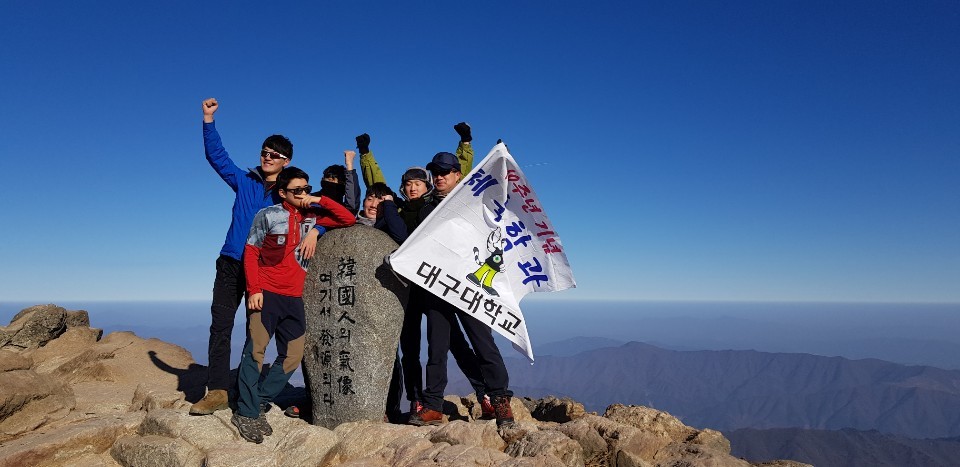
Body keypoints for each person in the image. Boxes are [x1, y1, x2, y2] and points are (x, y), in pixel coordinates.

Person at [191, 98, 326, 415]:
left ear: (286, 161)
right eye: (264, 152)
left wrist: (316, 231)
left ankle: (250, 393)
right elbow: (217, 157)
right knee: (221, 326)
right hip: (230, 263)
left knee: (257, 336)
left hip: (264, 271)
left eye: (274, 155)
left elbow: (325, 212)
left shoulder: (290, 193)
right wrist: (208, 120)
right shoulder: (245, 181)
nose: (267, 157)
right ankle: (218, 391)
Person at [357, 129, 492, 423]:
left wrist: (465, 145)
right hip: (408, 288)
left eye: (418, 183)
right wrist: (365, 155)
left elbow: (458, 175)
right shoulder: (397, 208)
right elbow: (377, 185)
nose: (412, 187)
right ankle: (418, 401)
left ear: (427, 184)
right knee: (411, 349)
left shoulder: (437, 207)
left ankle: (485, 393)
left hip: (436, 286)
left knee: (454, 344)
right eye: (408, 184)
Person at [232, 167, 355, 443]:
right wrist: (254, 290)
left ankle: (258, 401)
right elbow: (251, 253)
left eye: (306, 189)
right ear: (282, 192)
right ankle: (246, 412)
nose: (303, 194)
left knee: (293, 356)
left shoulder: (313, 216)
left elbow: (347, 218)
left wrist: (318, 218)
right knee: (255, 353)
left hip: (294, 297)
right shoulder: (268, 215)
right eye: (297, 190)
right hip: (266, 294)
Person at [409, 143, 516, 428]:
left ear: (458, 175)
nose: (439, 177)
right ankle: (433, 406)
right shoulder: (426, 210)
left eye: (445, 172)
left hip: (470, 287)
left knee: (483, 344)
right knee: (436, 348)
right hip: (438, 288)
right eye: (435, 172)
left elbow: (497, 214)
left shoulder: (475, 204)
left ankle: (500, 401)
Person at [315, 150, 361, 215]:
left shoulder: (343, 211)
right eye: (329, 180)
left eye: (339, 182)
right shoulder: (310, 201)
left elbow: (352, 204)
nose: (332, 184)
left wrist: (349, 165)